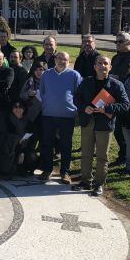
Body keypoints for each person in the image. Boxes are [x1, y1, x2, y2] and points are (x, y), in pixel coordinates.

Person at [73, 55, 129, 196]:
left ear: (110, 67)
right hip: (88, 122)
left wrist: (108, 109)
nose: (102, 66)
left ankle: (99, 184)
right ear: (94, 67)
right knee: (86, 153)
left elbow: (125, 105)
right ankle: (86, 181)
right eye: (99, 63)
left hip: (104, 124)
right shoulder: (87, 82)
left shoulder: (117, 85)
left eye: (105, 63)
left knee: (102, 156)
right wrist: (84, 107)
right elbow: (76, 97)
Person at [37, 52, 82, 183]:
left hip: (67, 116)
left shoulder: (74, 75)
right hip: (48, 114)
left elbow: (78, 94)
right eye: (60, 58)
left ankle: (65, 172)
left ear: (69, 61)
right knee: (47, 144)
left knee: (65, 145)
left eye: (66, 59)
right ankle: (47, 170)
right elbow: (42, 91)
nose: (62, 61)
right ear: (55, 60)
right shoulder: (47, 74)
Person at [110, 31, 130, 166]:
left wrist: (119, 79)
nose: (117, 44)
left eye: (120, 41)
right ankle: (123, 155)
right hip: (117, 98)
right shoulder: (116, 57)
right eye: (116, 42)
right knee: (118, 130)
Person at [5, 100, 35, 176]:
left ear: (24, 109)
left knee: (32, 156)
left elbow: (32, 139)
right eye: (15, 107)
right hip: (11, 148)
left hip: (25, 148)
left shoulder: (29, 122)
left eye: (20, 107)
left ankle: (25, 168)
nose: (18, 109)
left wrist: (22, 151)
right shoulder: (7, 120)